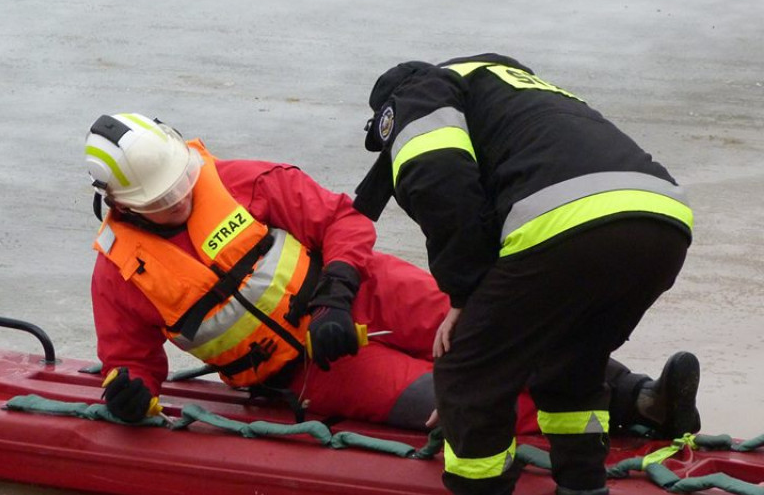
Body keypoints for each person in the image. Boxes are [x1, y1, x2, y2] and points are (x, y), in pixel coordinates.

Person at [83, 112, 698, 450]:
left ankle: (642, 397)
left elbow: (343, 220)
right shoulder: (118, 274)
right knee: (458, 399)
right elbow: (129, 360)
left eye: (184, 184)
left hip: (368, 290)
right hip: (313, 373)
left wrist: (336, 295)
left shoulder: (243, 181)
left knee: (501, 333)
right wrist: (130, 394)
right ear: (120, 203)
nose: (181, 199)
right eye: (164, 200)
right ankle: (580, 424)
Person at [354, 54, 694, 495]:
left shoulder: (418, 93)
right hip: (662, 219)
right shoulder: (504, 83)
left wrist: (465, 293)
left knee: (468, 377)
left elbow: (438, 182)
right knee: (571, 371)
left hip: (567, 218)